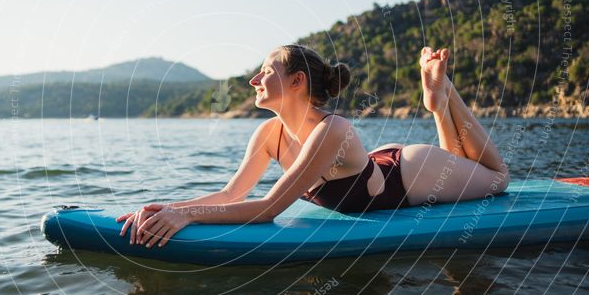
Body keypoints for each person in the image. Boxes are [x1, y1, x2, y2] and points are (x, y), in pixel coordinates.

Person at [117, 44, 509, 249]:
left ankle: (444, 97)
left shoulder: (332, 129)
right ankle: (439, 105)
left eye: (266, 72)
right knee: (463, 162)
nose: (254, 79)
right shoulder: (269, 134)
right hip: (376, 167)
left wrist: (192, 218)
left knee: (497, 179)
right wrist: (167, 208)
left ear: (297, 82)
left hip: (410, 174)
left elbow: (268, 209)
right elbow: (232, 194)